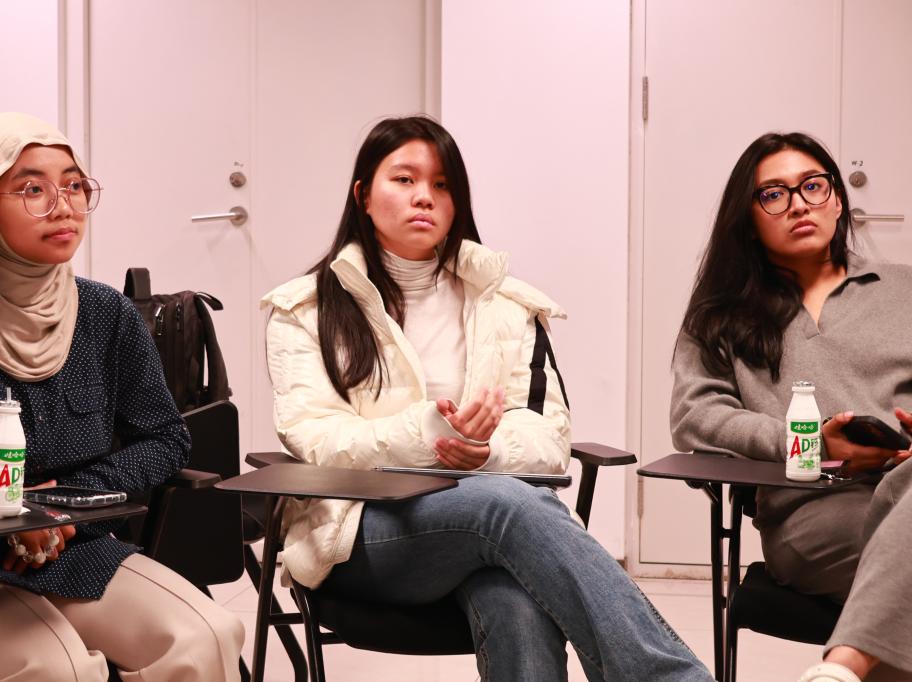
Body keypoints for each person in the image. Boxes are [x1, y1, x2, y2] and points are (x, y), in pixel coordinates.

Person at [262, 115, 712, 681]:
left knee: (514, 595)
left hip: (489, 525)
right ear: (363, 196)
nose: (424, 196)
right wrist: (429, 435)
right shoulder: (304, 309)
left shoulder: (509, 307)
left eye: (442, 184)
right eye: (404, 179)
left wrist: (487, 452)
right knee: (504, 504)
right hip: (358, 532)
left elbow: (548, 436)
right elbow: (314, 437)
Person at [0, 113, 244, 681]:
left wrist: (66, 508)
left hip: (67, 549)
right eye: (33, 189)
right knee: (58, 667)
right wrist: (2, 505)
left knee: (207, 635)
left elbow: (165, 437)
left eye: (74, 185)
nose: (64, 206)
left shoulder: (105, 314)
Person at [671, 131, 912, 682]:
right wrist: (809, 442)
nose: (799, 204)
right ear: (748, 218)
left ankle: (841, 668)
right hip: (814, 511)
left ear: (837, 200)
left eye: (812, 186)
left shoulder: (904, 291)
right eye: (774, 194)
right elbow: (694, 417)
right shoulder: (721, 314)